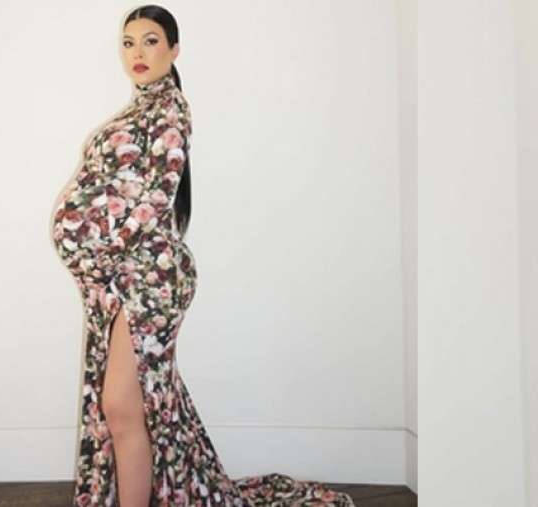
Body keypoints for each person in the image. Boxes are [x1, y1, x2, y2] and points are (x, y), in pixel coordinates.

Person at [52, 5, 356, 506]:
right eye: (128, 42)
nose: (137, 52)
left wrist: (93, 254)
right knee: (137, 406)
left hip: (150, 279)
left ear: (174, 49)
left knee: (122, 406)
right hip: (126, 277)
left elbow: (151, 201)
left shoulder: (171, 111)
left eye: (150, 40)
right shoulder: (140, 111)